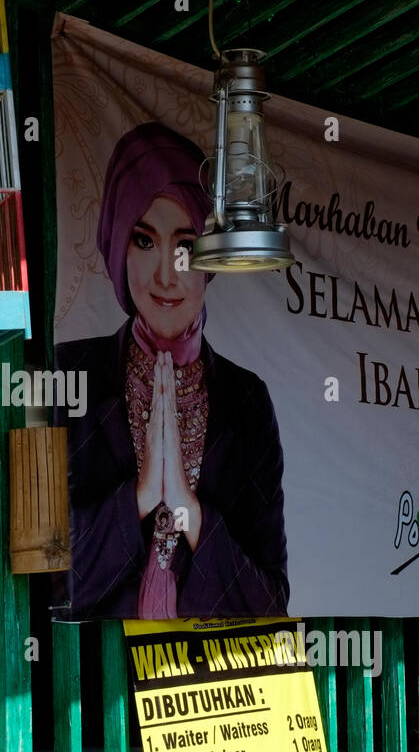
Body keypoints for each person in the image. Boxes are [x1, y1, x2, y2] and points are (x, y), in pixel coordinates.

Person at [54, 121, 288, 621]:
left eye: (186, 245)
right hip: (93, 692)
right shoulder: (67, 375)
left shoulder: (247, 402)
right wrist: (140, 496)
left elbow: (271, 602)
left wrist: (189, 509)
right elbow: (41, 583)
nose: (166, 273)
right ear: (117, 244)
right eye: (143, 240)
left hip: (206, 691)